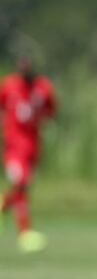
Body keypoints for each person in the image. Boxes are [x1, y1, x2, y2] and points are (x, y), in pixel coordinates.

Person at [1, 57, 57, 252]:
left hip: (33, 146)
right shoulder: (9, 85)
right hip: (14, 147)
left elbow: (51, 111)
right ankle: (25, 233)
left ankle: (3, 204)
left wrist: (41, 118)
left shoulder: (43, 87)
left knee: (23, 187)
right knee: (21, 184)